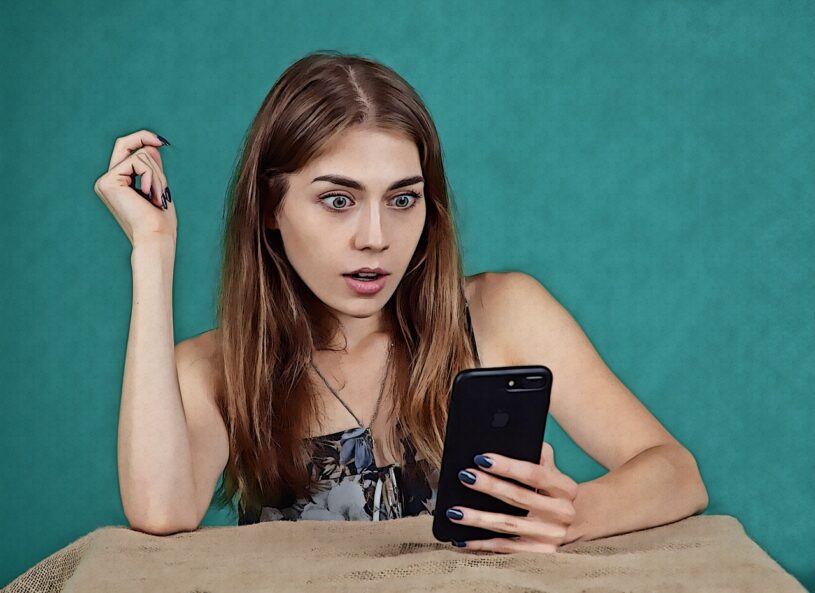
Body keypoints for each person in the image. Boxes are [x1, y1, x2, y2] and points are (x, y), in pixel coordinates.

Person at [92, 50, 708, 553]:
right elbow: (160, 509)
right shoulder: (215, 369)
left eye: (402, 199)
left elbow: (676, 472)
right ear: (271, 208)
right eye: (338, 200)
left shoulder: (501, 314)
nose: (376, 237)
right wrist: (152, 253)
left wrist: (571, 513)